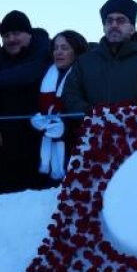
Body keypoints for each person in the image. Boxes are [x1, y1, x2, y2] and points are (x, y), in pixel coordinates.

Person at [0, 10, 51, 194]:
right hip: (7, 142)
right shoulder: (1, 60)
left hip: (39, 139)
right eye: (6, 35)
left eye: (16, 34)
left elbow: (29, 73)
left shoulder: (44, 51)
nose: (11, 39)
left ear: (29, 34)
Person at [63, 0, 137, 114]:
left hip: (134, 129)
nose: (114, 25)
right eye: (109, 21)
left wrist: (125, 117)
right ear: (104, 27)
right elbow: (71, 95)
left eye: (120, 20)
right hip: (92, 128)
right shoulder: (84, 62)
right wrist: (94, 114)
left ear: (132, 28)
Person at [30, 30, 87, 183]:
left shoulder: (84, 75)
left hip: (76, 147)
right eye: (56, 48)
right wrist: (38, 120)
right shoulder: (46, 74)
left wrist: (65, 127)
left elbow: (86, 112)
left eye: (65, 48)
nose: (58, 52)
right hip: (46, 141)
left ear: (76, 51)